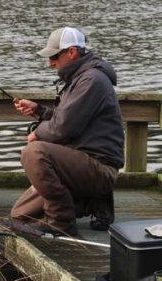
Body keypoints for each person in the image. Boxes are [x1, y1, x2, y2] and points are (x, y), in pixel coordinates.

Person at [10, 27, 124, 236]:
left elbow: (63, 129)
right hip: (82, 164)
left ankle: (61, 220)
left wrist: (37, 134)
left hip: (99, 168)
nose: (50, 63)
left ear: (71, 52)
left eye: (54, 56)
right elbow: (67, 122)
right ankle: (92, 203)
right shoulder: (80, 79)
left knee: (33, 152)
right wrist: (40, 111)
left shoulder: (91, 80)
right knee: (20, 216)